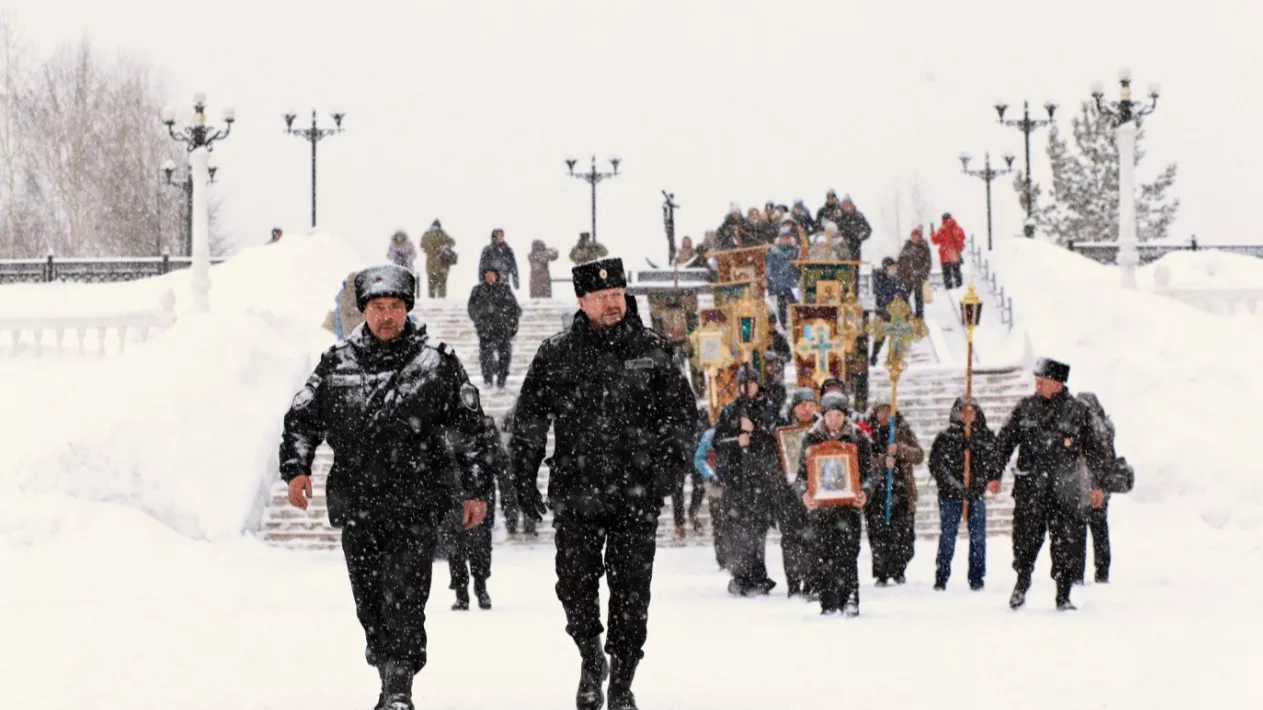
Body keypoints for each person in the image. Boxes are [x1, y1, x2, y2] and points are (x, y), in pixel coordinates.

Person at [278, 264, 493, 710]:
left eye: (395, 306)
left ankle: (399, 691)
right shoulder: (336, 364)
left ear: (407, 309)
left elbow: (471, 430)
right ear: (364, 311)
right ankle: (388, 673)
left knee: (407, 598)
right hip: (358, 506)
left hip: (416, 506)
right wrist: (296, 468)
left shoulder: (436, 362)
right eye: (378, 307)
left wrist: (475, 490)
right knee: (370, 605)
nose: (387, 316)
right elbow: (302, 419)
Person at [509, 257, 696, 710]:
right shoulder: (557, 353)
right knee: (574, 584)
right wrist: (523, 475)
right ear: (582, 301)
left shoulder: (652, 349)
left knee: (632, 592)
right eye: (602, 297)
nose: (613, 304)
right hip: (577, 491)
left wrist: (667, 472)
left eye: (617, 295)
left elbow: (682, 417)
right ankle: (592, 657)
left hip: (636, 493)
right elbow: (531, 420)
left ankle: (623, 681)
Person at [992, 357, 1111, 611]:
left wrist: (1098, 485)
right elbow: (1004, 441)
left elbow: (1096, 451)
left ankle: (1063, 594)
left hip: (1064, 491)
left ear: (1058, 384)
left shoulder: (1079, 412)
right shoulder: (1025, 408)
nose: (1038, 386)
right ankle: (1021, 584)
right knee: (1024, 541)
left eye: (1043, 382)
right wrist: (994, 473)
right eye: (1037, 381)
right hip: (1030, 488)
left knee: (1065, 544)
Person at [795, 392, 875, 616]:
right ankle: (828, 601)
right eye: (830, 415)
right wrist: (804, 494)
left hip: (848, 507)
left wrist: (865, 492)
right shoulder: (812, 439)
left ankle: (850, 597)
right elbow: (801, 476)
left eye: (838, 415)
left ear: (845, 416)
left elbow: (869, 474)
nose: (834, 420)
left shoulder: (858, 438)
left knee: (848, 553)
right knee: (823, 554)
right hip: (821, 509)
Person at [712, 363, 781, 597]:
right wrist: (737, 441)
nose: (748, 388)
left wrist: (756, 432)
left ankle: (758, 573)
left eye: (751, 383)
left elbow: (775, 440)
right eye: (744, 383)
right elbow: (718, 442)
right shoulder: (731, 411)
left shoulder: (768, 408)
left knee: (757, 531)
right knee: (737, 531)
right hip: (736, 481)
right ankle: (741, 575)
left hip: (759, 481)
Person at [929, 397, 999, 591]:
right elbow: (936, 465)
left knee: (978, 537)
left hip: (976, 494)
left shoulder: (985, 437)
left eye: (971, 412)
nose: (967, 416)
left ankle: (977, 577)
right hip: (950, 495)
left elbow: (992, 464)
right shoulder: (945, 437)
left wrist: (976, 485)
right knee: (948, 536)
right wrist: (955, 487)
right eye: (963, 412)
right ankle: (941, 576)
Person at [447, 414, 508, 611]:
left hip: (482, 494)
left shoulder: (486, 427)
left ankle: (481, 588)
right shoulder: (449, 427)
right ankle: (461, 593)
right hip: (457, 496)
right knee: (456, 546)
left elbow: (500, 462)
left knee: (480, 545)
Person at [865, 401, 923, 586]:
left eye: (888, 411)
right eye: (881, 411)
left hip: (900, 489)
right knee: (879, 533)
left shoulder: (902, 430)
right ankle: (881, 571)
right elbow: (862, 459)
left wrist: (900, 450)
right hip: (876, 491)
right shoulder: (867, 432)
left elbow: (918, 455)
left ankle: (899, 568)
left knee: (903, 532)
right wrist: (882, 460)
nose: (885, 415)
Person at [1074, 392, 1119, 584]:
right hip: (1098, 486)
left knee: (1080, 532)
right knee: (1099, 530)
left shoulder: (1085, 428)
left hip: (1085, 485)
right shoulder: (1105, 427)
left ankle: (1078, 573)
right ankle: (1102, 571)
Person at [467, 267, 521, 391]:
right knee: (486, 356)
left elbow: (514, 309)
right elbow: (472, 308)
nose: (490, 277)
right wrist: (479, 322)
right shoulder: (478, 290)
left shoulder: (504, 289)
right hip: (485, 329)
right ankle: (488, 379)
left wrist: (512, 326)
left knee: (505, 355)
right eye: (487, 275)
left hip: (502, 329)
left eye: (492, 274)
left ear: (497, 276)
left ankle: (502, 379)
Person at [897, 226, 933, 320]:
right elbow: (900, 260)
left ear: (920, 236)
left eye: (917, 235)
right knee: (903, 297)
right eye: (913, 235)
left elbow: (927, 263)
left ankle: (919, 318)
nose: (915, 237)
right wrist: (900, 273)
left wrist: (922, 274)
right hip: (907, 277)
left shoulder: (924, 247)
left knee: (918, 299)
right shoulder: (907, 246)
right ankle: (907, 315)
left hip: (918, 277)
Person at [420, 220, 458, 299]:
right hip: (442, 264)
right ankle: (441, 303)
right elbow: (453, 242)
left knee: (432, 287)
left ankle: (432, 303)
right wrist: (444, 247)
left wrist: (431, 250)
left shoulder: (427, 235)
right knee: (441, 286)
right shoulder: (442, 234)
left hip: (431, 264)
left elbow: (422, 246)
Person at [932, 213, 967, 290]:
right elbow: (962, 239)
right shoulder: (958, 228)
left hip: (945, 256)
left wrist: (932, 232)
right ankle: (959, 289)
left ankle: (949, 289)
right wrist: (958, 249)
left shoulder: (942, 230)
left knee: (947, 276)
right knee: (957, 274)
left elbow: (935, 241)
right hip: (955, 256)